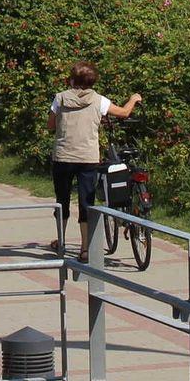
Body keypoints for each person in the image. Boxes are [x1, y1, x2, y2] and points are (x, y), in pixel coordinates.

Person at [48, 63, 141, 263]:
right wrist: (133, 99)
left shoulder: (60, 98)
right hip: (87, 158)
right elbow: (124, 113)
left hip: (63, 156)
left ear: (72, 80)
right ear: (92, 81)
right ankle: (85, 249)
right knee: (86, 202)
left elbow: (50, 125)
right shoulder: (100, 100)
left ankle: (61, 242)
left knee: (62, 200)